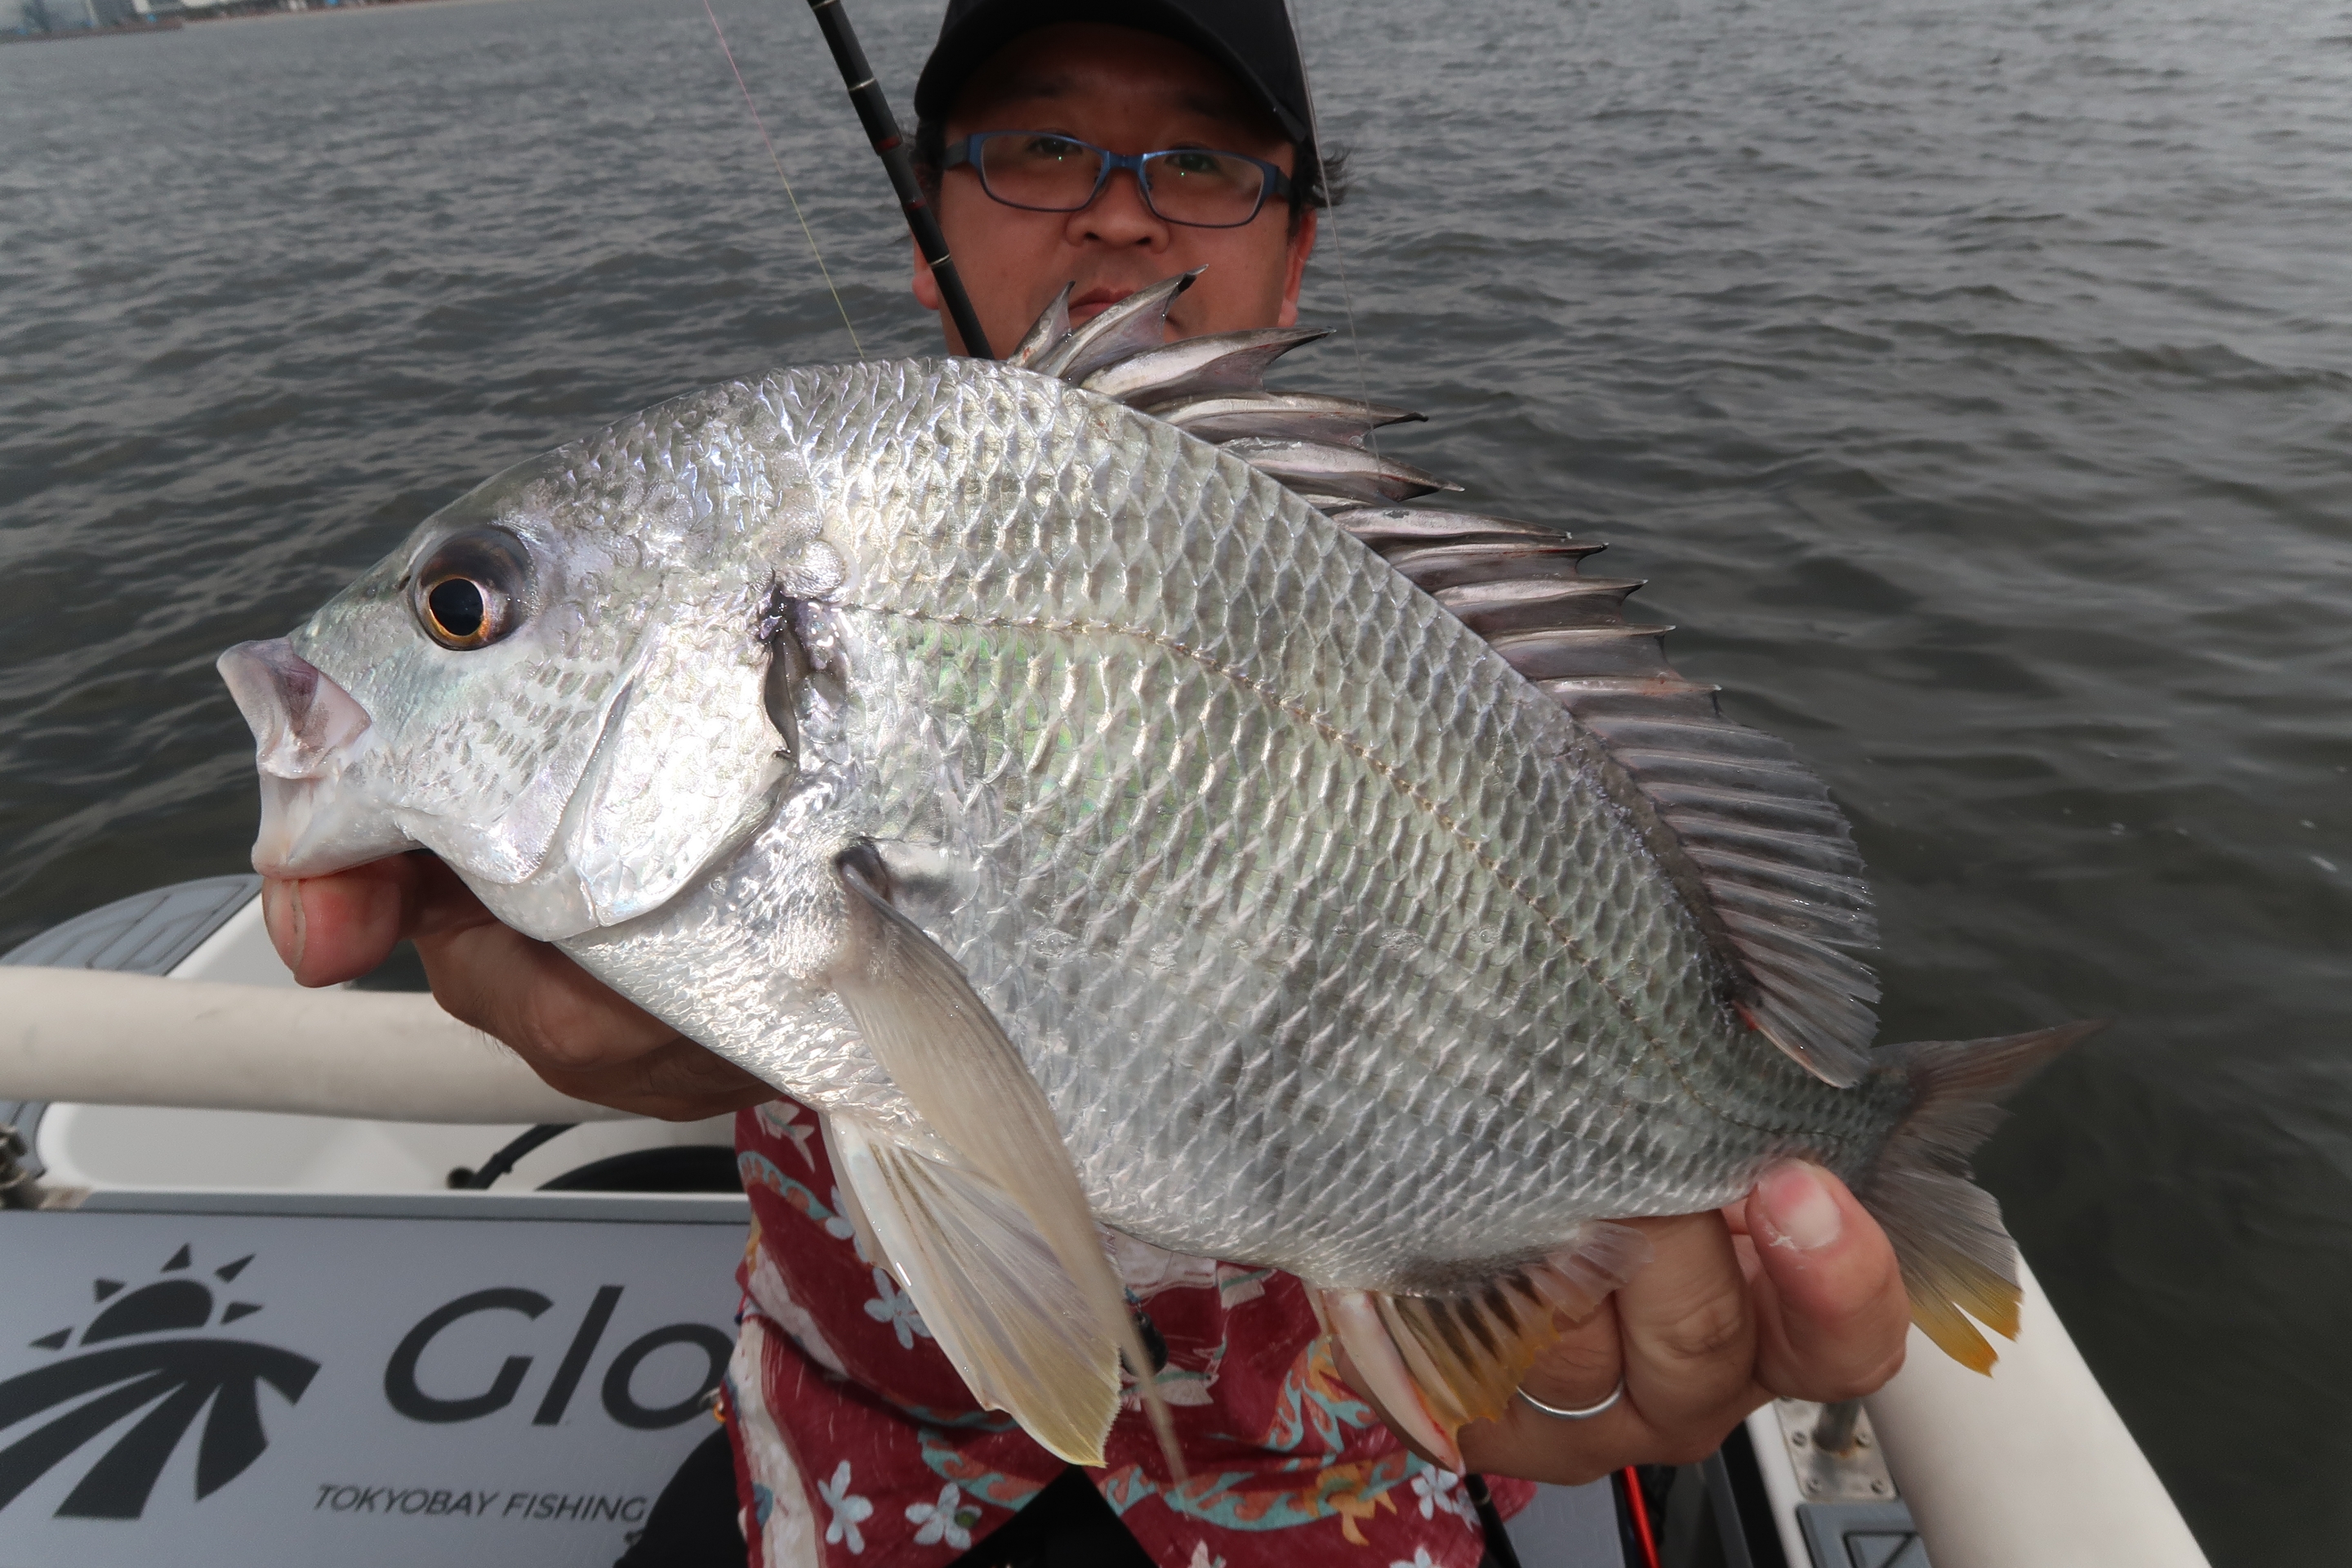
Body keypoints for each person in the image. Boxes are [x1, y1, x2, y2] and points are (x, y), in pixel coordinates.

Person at [262, 2, 1912, 1563]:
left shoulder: (1483, 674)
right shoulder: (817, 506)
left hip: (1327, 1480)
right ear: (927, 220)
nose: (1120, 215)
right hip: (862, 1452)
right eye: (1042, 147)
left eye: (1199, 161)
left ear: (1297, 242)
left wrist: (1561, 1310)